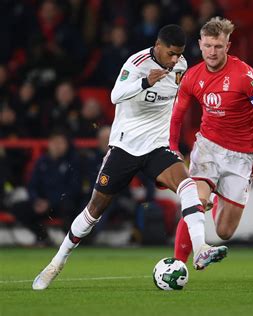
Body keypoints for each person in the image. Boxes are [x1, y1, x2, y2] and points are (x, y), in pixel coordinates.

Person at [32, 24, 227, 291]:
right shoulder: (136, 63)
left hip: (156, 147)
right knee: (93, 211)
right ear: (158, 46)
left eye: (178, 54)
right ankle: (57, 261)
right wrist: (147, 81)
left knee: (187, 185)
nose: (174, 60)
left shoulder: (180, 66)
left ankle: (201, 246)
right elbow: (115, 95)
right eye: (170, 53)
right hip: (125, 149)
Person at [169, 17, 253, 264]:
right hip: (207, 147)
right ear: (200, 44)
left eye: (218, 46)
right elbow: (176, 117)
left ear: (228, 46)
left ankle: (217, 199)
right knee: (196, 200)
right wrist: (173, 149)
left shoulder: (245, 75)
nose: (212, 52)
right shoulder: (192, 77)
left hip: (241, 155)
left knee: (224, 232)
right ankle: (178, 265)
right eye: (207, 46)